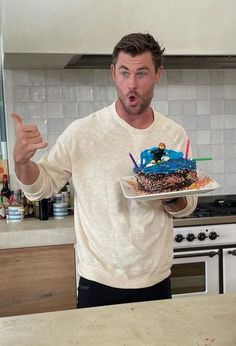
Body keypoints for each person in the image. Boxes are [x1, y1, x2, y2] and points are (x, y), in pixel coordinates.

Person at [12, 33, 197, 308]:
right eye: (125, 73)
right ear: (113, 73)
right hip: (98, 281)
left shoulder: (174, 135)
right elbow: (42, 187)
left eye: (142, 73)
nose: (132, 85)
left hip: (156, 278)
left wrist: (168, 193)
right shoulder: (83, 132)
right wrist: (22, 164)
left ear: (158, 74)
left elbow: (186, 204)